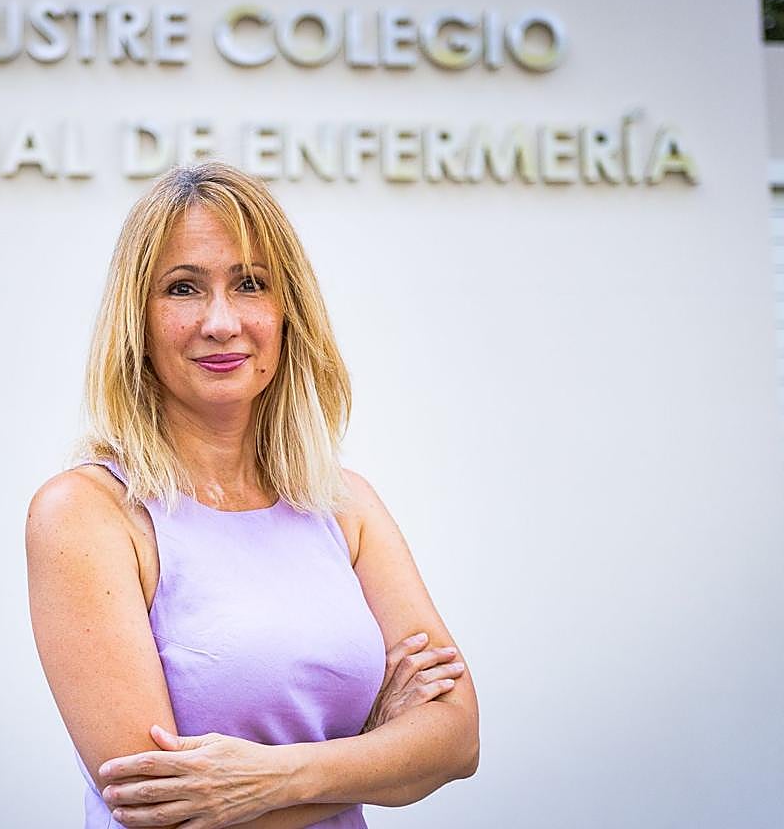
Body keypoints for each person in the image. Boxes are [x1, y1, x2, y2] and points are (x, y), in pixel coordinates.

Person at [26, 161, 479, 829]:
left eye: (250, 284)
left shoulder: (345, 505)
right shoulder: (88, 513)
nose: (221, 321)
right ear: (137, 321)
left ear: (286, 310)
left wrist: (270, 778)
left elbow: (457, 739)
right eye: (182, 288)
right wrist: (378, 750)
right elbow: (162, 806)